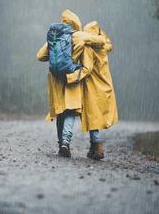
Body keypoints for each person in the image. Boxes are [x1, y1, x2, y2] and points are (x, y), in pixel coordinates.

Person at [37, 10, 107, 157]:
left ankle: (60, 143)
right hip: (72, 79)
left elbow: (40, 56)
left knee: (60, 111)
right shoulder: (79, 35)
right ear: (76, 22)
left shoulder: (55, 36)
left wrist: (56, 57)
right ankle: (66, 143)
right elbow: (101, 42)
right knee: (70, 111)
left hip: (56, 79)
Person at [66, 21, 118, 160]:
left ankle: (97, 146)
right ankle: (93, 148)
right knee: (95, 117)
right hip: (105, 85)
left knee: (93, 117)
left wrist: (70, 77)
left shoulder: (88, 49)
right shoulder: (103, 48)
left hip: (93, 86)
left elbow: (87, 69)